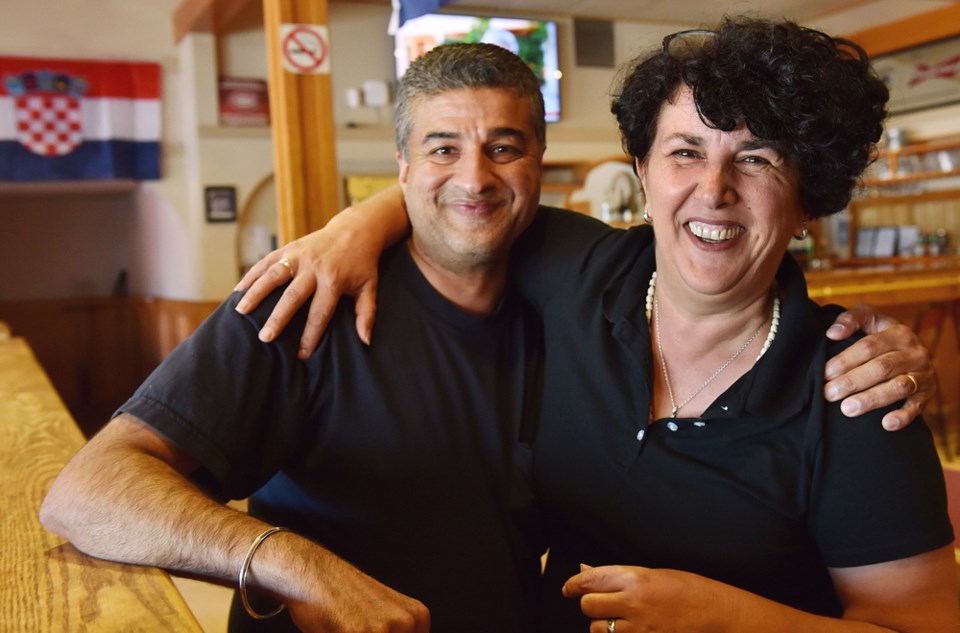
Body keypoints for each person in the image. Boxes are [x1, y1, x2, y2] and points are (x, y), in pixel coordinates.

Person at [234, 18, 958, 632]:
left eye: (757, 159)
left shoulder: (855, 394)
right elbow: (473, 199)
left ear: (809, 201)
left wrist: (729, 616)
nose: (714, 190)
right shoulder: (581, 271)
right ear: (642, 172)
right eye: (685, 152)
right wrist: (350, 228)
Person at [40, 43, 552, 633]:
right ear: (404, 167)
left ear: (538, 158)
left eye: (504, 149)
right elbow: (85, 490)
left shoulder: (569, 308)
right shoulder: (305, 298)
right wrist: (292, 563)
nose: (475, 177)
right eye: (443, 148)